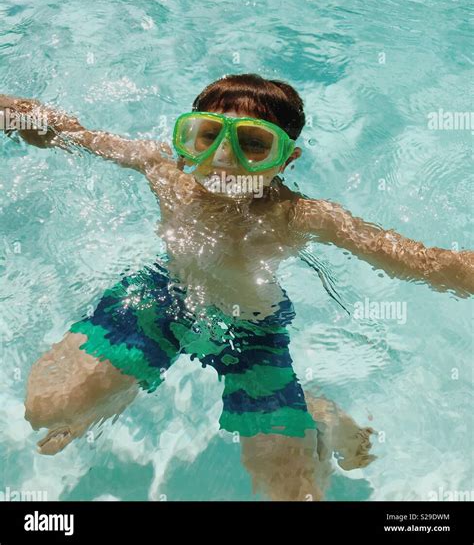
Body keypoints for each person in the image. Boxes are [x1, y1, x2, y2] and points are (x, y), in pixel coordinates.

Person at [1, 74, 472, 500]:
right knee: (47, 410)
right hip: (160, 298)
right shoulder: (165, 172)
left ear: (287, 158)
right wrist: (19, 114)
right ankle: (128, 382)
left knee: (291, 493)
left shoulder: (296, 215)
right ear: (188, 138)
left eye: (252, 144)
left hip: (250, 334)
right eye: (207, 137)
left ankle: (317, 414)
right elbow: (73, 133)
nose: (223, 158)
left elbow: (417, 260)